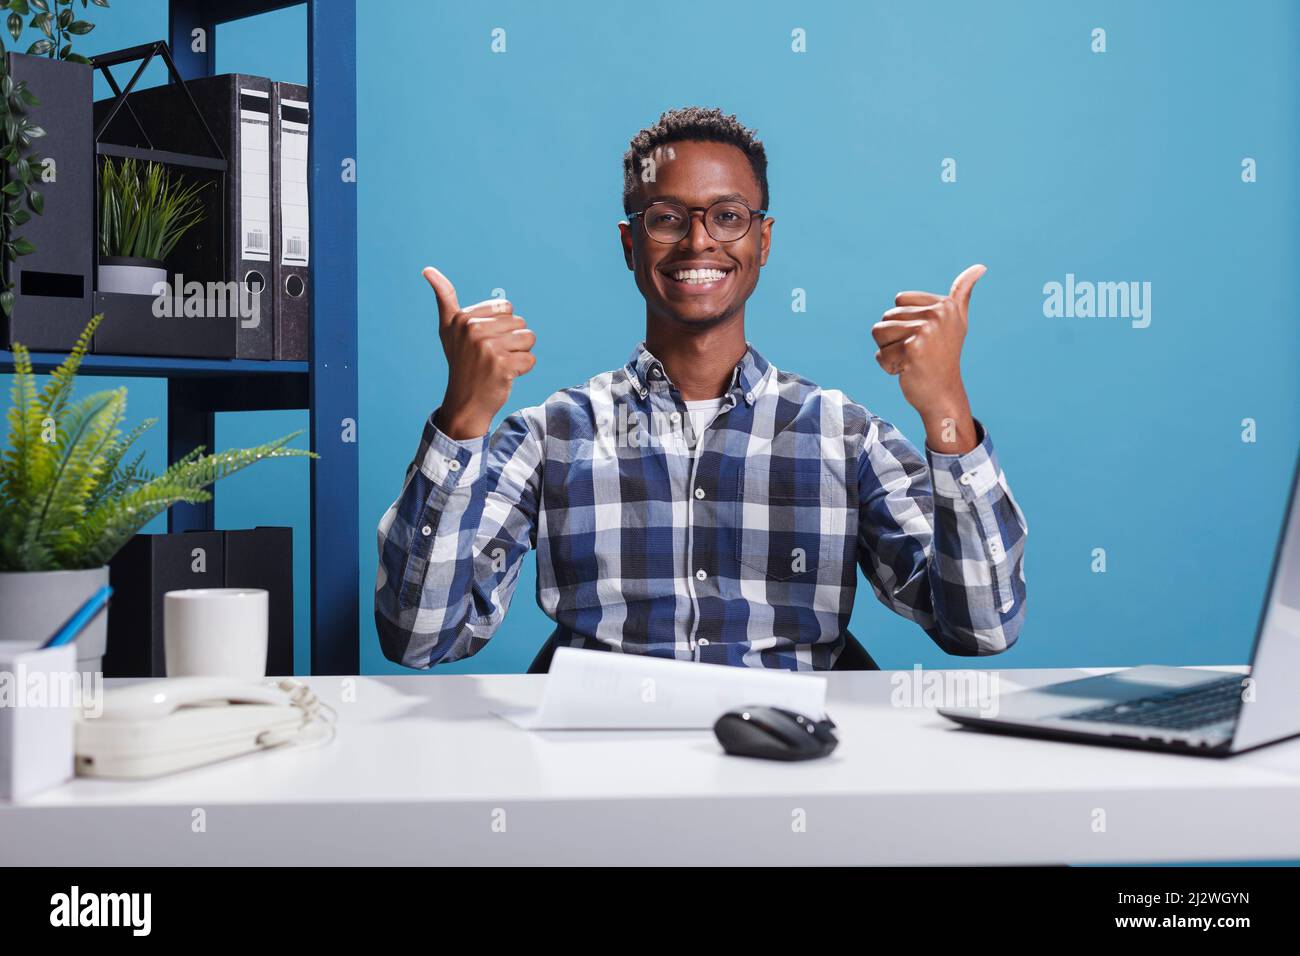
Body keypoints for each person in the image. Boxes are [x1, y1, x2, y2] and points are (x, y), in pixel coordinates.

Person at [376, 106, 1027, 671]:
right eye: (666, 218)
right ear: (630, 244)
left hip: (792, 771)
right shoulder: (550, 435)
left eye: (727, 216)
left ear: (763, 239)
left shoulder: (843, 434)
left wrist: (947, 408)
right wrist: (463, 416)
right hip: (606, 770)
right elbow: (417, 638)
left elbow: (983, 627)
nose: (698, 241)